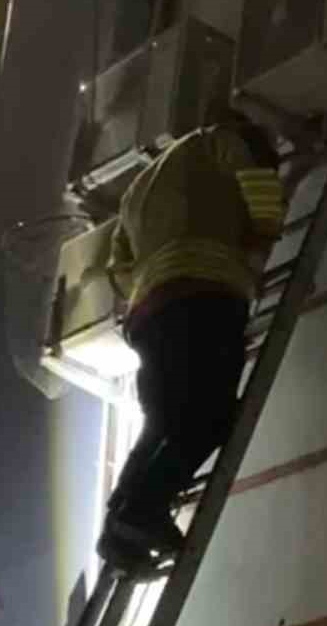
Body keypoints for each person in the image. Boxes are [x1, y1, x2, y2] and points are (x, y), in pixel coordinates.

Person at [95, 114, 286, 572]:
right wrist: (261, 241)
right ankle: (144, 510)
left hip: (148, 312)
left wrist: (155, 279)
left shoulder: (138, 188)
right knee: (210, 417)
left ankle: (119, 529)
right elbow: (258, 183)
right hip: (206, 291)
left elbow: (118, 269)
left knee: (161, 423)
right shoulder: (224, 141)